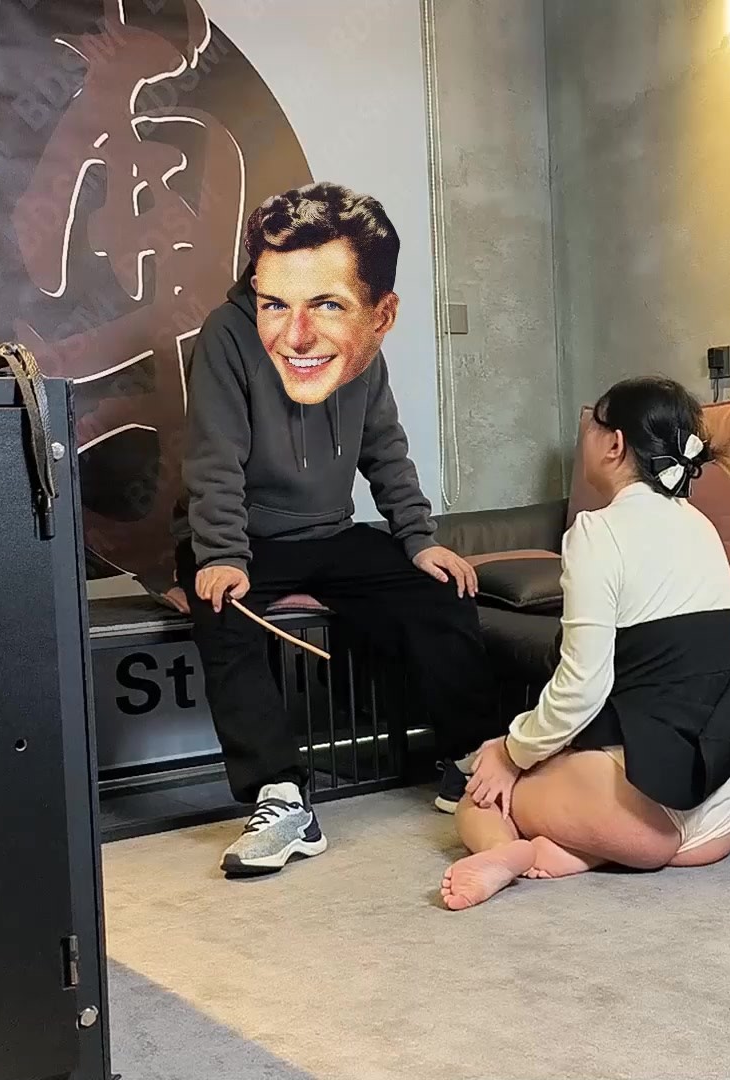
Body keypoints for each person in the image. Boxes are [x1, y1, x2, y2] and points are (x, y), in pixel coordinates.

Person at [174, 181, 499, 876]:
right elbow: (214, 455)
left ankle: (472, 760)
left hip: (329, 532)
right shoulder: (226, 335)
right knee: (224, 614)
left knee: (436, 592)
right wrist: (221, 554)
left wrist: (419, 538)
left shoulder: (357, 337)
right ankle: (280, 795)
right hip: (243, 537)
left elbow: (385, 446)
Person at [439, 376, 730, 910]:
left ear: (614, 444)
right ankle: (569, 850)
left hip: (642, 812)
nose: (584, 435)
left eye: (593, 423)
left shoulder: (598, 533)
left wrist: (511, 751)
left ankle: (506, 854)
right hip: (718, 812)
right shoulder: (701, 527)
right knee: (558, 774)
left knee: (479, 792)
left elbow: (581, 688)